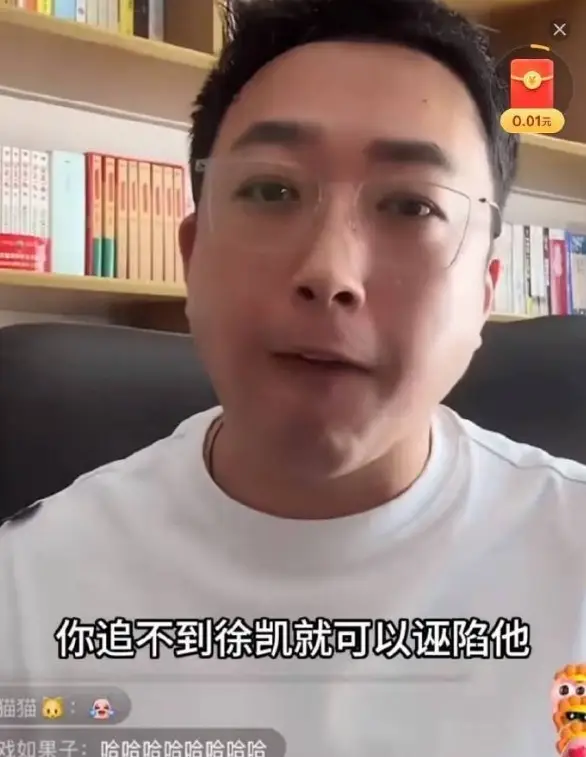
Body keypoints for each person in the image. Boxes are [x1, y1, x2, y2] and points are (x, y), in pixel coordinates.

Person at [0, 0, 584, 754]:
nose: (330, 272)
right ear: (192, 258)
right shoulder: (27, 587)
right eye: (272, 191)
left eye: (412, 205)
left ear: (483, 294)